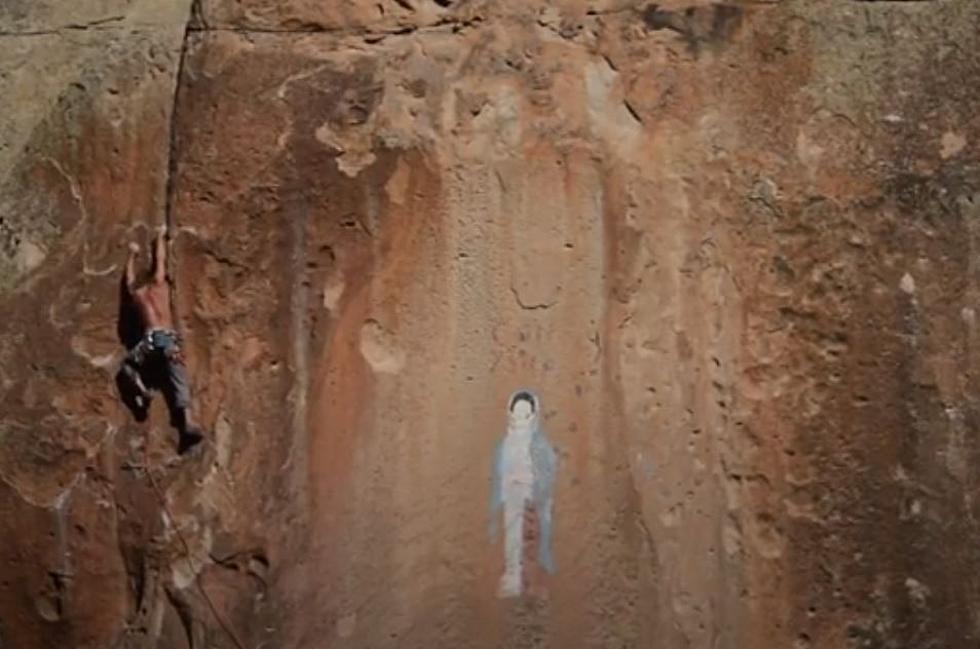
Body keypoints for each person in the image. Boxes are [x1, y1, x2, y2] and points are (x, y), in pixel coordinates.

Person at [118, 226, 203, 455]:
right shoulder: (160, 286)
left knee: (127, 367)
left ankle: (142, 390)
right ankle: (187, 422)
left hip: (149, 340)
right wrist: (159, 239)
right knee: (179, 377)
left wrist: (131, 256)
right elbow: (161, 262)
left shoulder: (138, 296)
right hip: (168, 340)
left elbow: (128, 282)